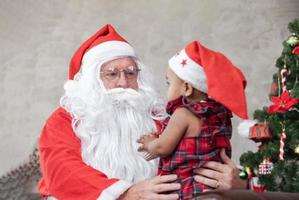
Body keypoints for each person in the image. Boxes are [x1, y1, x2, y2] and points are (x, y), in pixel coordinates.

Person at [38, 24, 246, 200]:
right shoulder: (66, 119)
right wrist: (124, 193)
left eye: (130, 73)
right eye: (111, 74)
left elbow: (201, 155)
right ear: (91, 81)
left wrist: (238, 182)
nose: (123, 83)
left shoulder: (161, 118)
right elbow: (62, 171)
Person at [137, 41, 248, 199]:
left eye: (169, 83)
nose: (167, 89)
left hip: (185, 187)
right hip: (211, 188)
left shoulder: (182, 114)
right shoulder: (219, 114)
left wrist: (150, 144)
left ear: (187, 88)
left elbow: (162, 148)